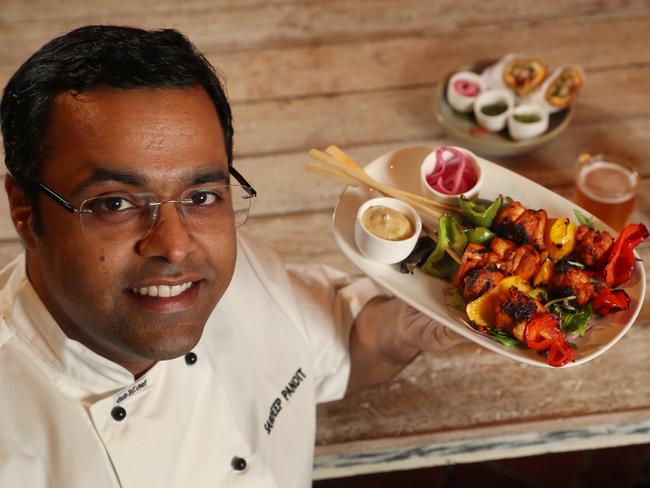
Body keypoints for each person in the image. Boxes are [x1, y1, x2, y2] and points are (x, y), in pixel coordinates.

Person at [0, 26, 462, 487]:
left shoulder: (242, 275)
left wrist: (411, 323)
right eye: (115, 203)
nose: (176, 246)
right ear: (24, 210)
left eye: (201, 196)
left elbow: (349, 343)